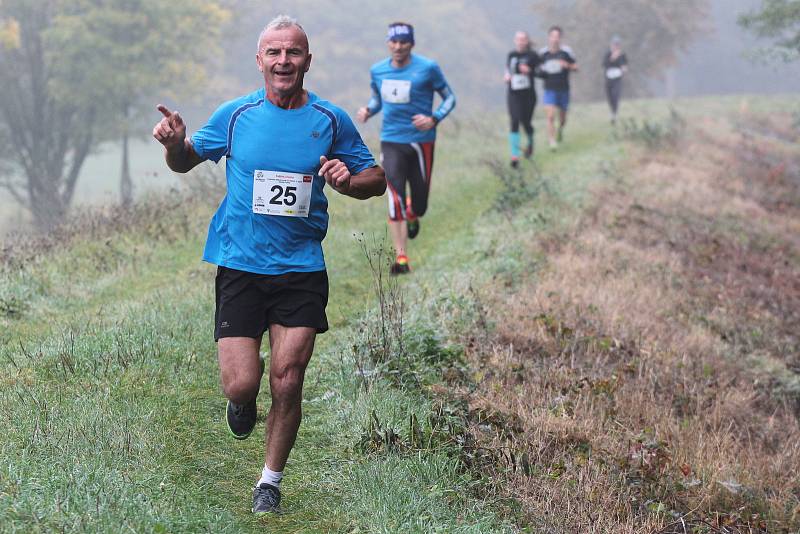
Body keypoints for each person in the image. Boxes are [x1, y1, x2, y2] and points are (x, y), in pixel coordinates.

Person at [151, 15, 385, 515]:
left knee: (288, 376)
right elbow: (187, 159)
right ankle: (240, 401)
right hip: (241, 264)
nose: (284, 62)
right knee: (242, 383)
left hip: (300, 268)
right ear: (259, 61)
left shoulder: (330, 119)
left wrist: (348, 181)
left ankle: (269, 482)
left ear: (307, 60)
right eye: (274, 53)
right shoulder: (236, 116)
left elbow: (377, 178)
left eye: (293, 52)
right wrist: (174, 145)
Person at [357, 22, 456, 275]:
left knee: (420, 204)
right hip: (391, 140)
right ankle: (401, 258)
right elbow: (378, 99)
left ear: (411, 44)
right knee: (394, 196)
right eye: (394, 42)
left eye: (404, 42)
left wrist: (433, 119)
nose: (398, 46)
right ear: (388, 43)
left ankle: (414, 213)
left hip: (421, 142)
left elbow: (450, 98)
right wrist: (368, 110)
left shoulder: (428, 68)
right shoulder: (377, 70)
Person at [537, 26, 578, 150]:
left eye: (557, 37)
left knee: (562, 118)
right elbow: (537, 69)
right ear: (549, 37)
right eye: (553, 36)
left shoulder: (566, 52)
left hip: (564, 89)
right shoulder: (543, 53)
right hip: (549, 89)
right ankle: (552, 141)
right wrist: (540, 71)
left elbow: (576, 67)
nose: (555, 39)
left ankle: (560, 129)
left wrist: (567, 65)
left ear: (560, 38)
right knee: (550, 116)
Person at [505, 31, 540, 168]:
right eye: (518, 39)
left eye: (523, 39)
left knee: (526, 123)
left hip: (528, 95)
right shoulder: (511, 55)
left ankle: (530, 143)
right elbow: (508, 70)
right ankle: (515, 157)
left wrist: (530, 70)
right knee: (514, 121)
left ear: (527, 41)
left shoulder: (533, 56)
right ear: (515, 41)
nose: (520, 42)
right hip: (513, 94)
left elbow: (542, 73)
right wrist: (507, 76)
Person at [603, 36, 628, 124]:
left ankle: (614, 114)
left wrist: (624, 69)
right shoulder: (607, 54)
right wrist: (613, 57)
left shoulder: (622, 55)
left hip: (617, 79)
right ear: (611, 45)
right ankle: (612, 112)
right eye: (614, 44)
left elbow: (624, 65)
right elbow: (604, 64)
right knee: (610, 97)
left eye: (617, 45)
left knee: (615, 95)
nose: (616, 46)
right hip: (608, 79)